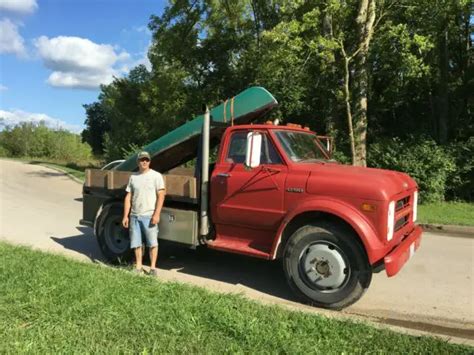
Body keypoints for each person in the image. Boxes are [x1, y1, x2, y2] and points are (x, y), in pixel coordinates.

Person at [122, 151, 166, 276]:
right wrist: (126, 216)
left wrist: (156, 214)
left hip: (149, 216)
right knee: (136, 243)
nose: (144, 162)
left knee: (152, 243)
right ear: (138, 162)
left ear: (150, 161)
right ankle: (138, 266)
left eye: (146, 159)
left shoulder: (156, 176)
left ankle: (152, 268)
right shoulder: (133, 177)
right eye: (142, 160)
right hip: (135, 216)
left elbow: (161, 195)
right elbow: (128, 197)